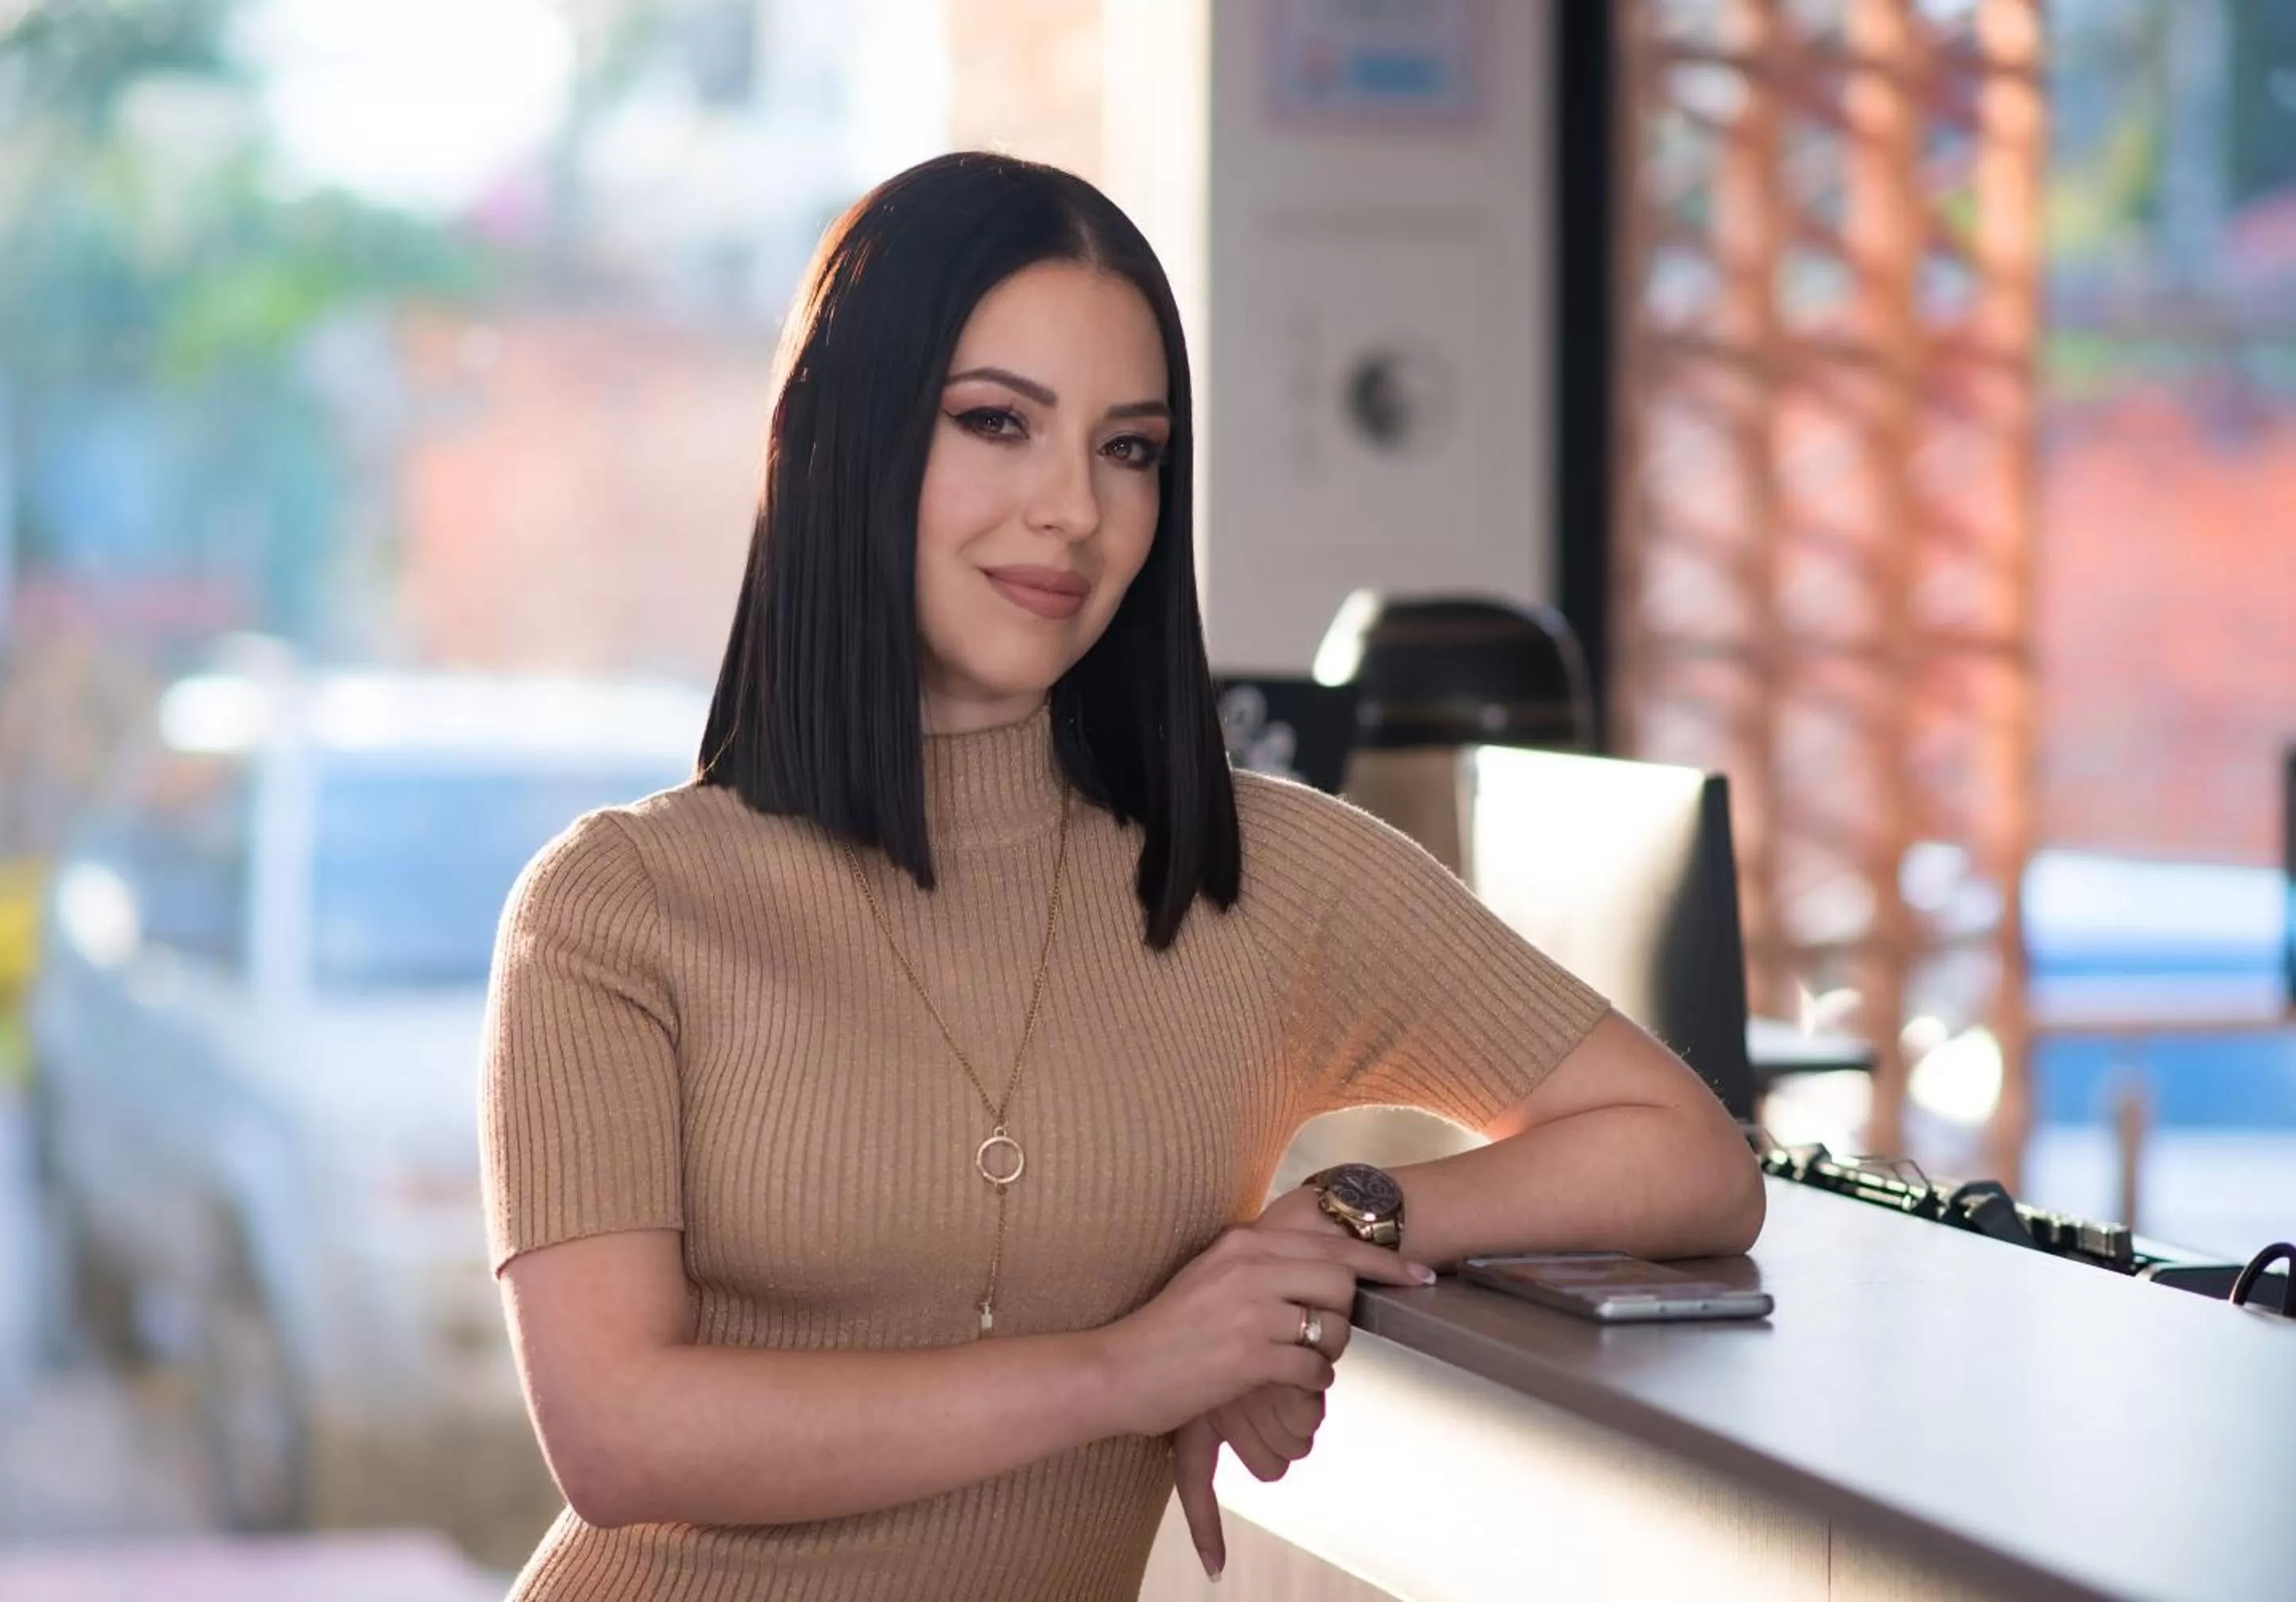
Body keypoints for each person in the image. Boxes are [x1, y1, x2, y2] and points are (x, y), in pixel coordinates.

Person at [478, 150, 1764, 1602]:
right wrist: (1126, 1369)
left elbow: (1686, 1152)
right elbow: (623, 1435)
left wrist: (1336, 1221)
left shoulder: (1259, 872)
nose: (1072, 511)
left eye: (1129, 448)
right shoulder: (618, 907)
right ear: (838, 438)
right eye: (996, 423)